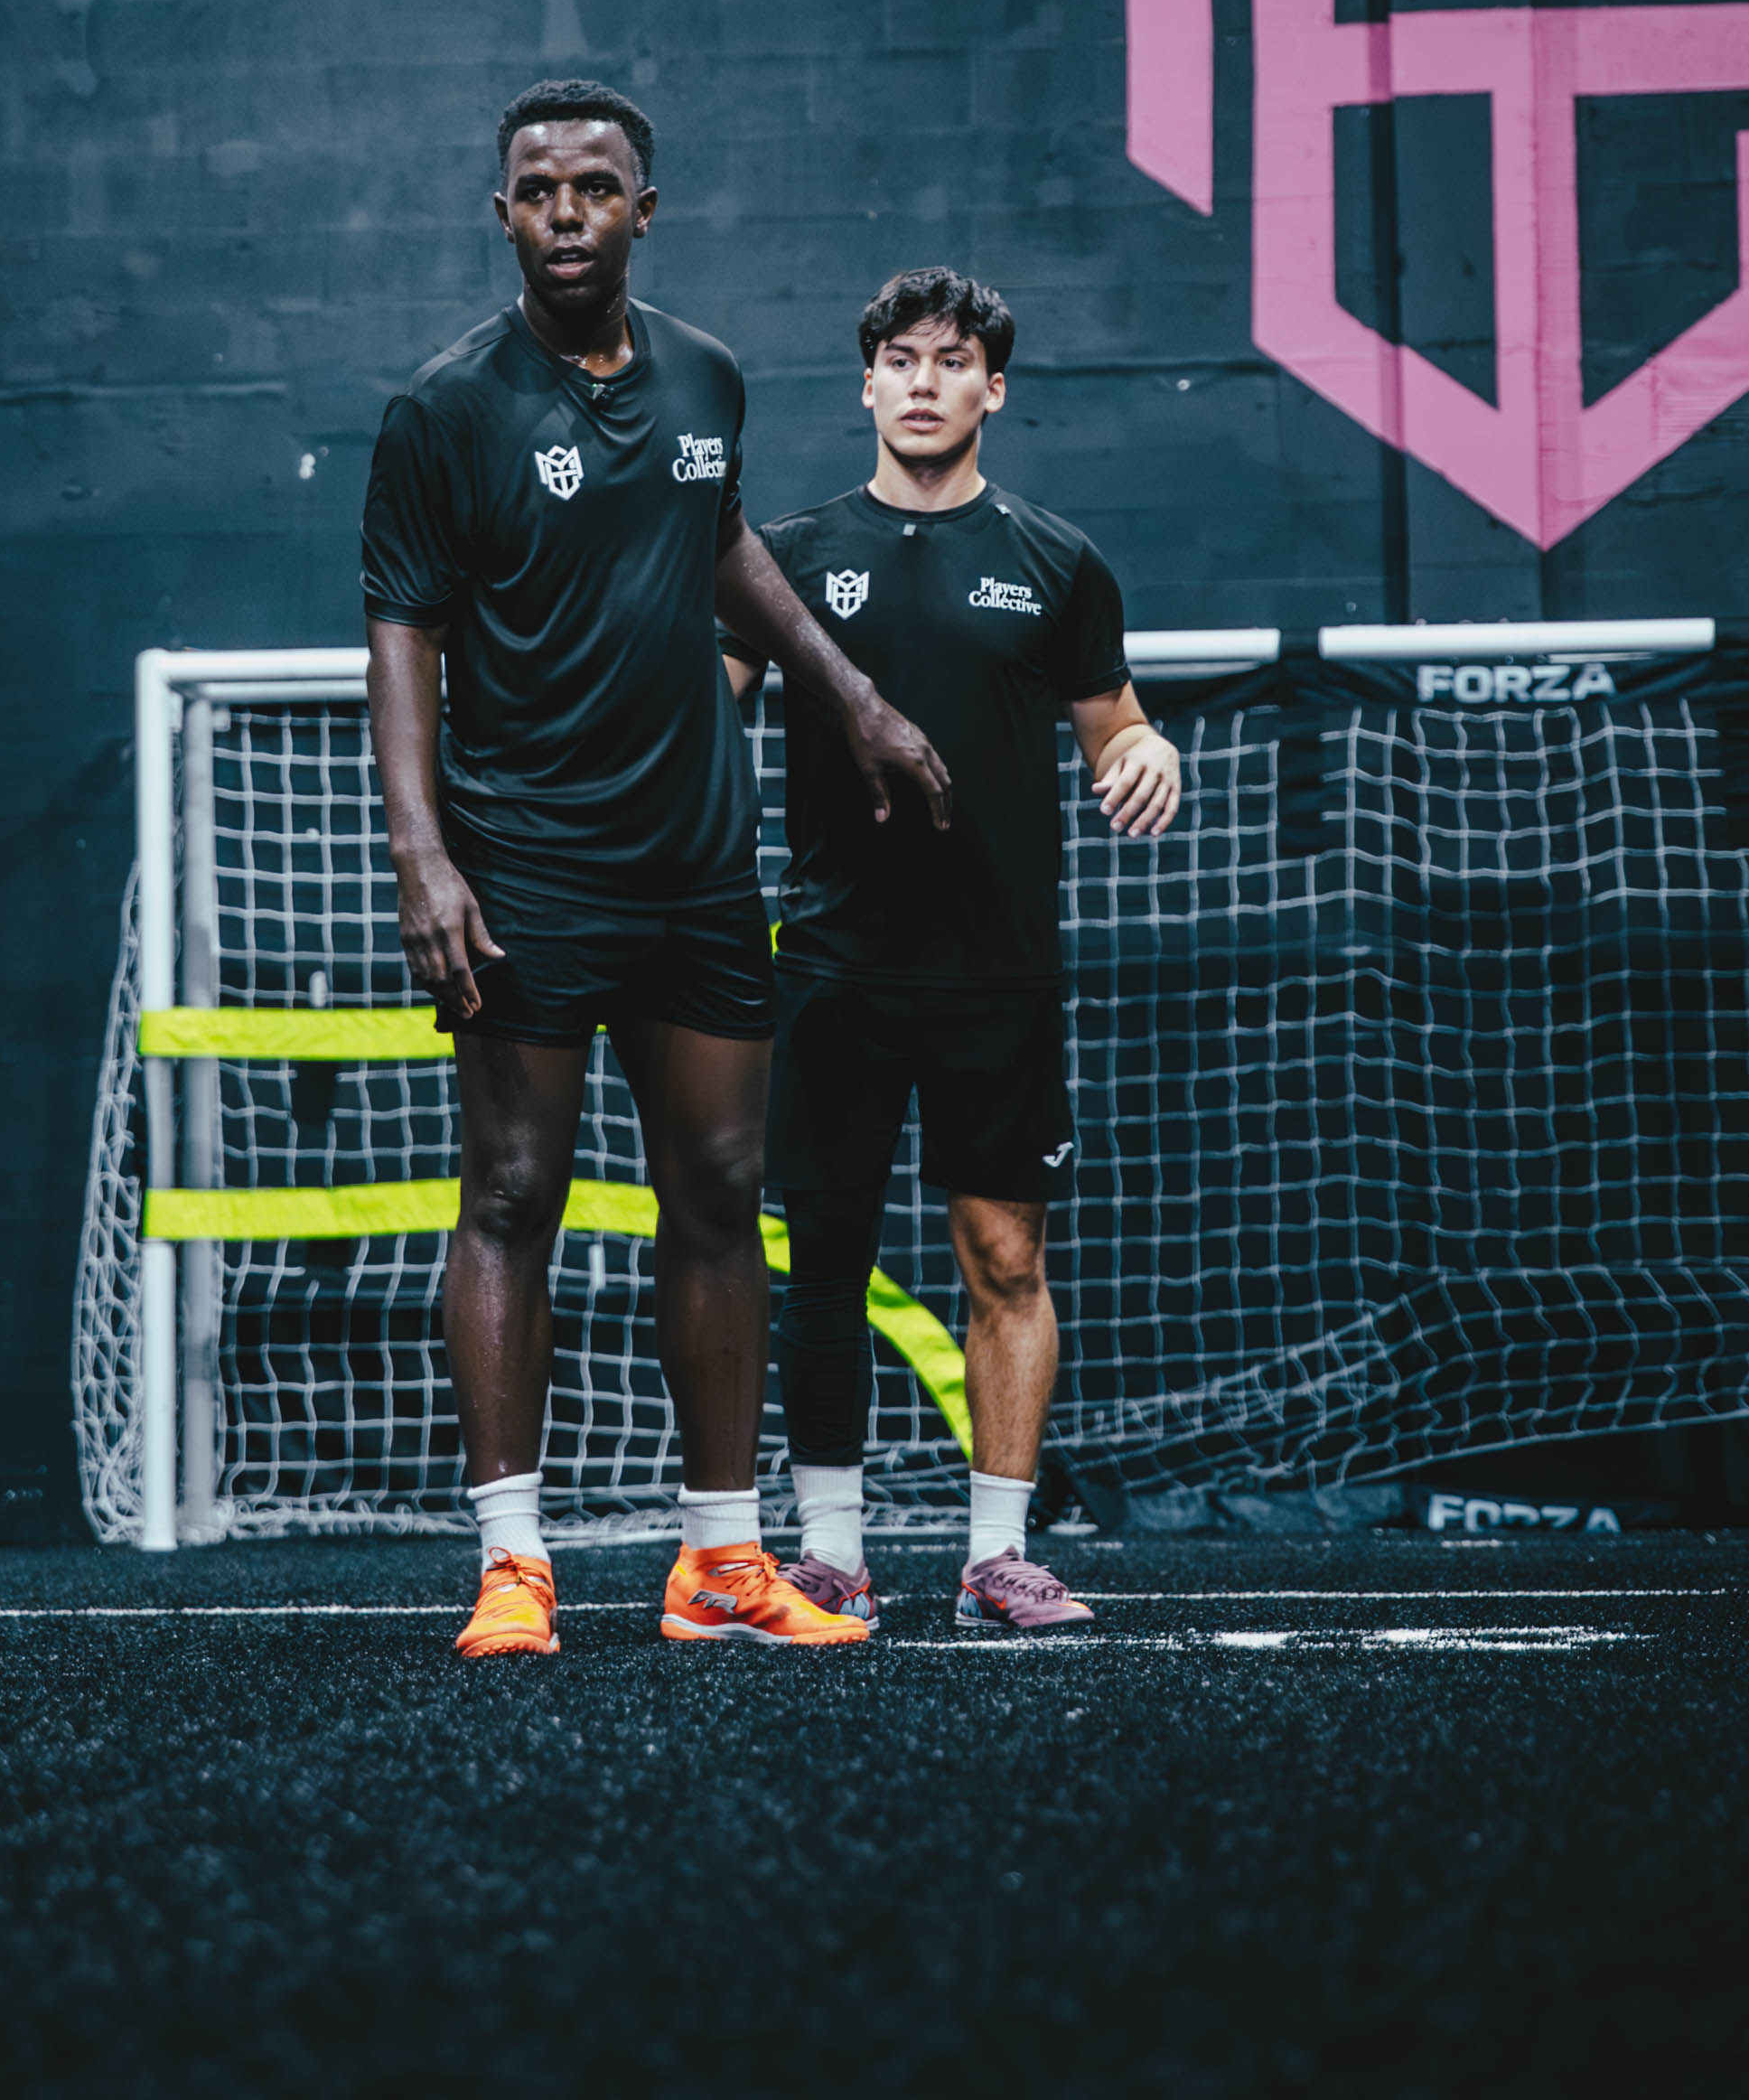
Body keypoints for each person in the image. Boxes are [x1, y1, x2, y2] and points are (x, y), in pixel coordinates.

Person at [360, 82, 953, 1658]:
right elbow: (402, 632)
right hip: (525, 862)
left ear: (642, 208)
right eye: (537, 190)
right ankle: (513, 1563)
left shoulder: (706, 373)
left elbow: (719, 540)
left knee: (718, 1193)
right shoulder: (443, 410)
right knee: (512, 1194)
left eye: (594, 187)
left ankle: (718, 1562)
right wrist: (422, 858)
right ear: (503, 215)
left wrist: (850, 693)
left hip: (694, 860)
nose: (565, 211)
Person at [720, 267, 1181, 1633]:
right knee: (824, 1265)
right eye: (902, 359)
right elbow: (691, 710)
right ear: (866, 382)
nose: (925, 382)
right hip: (830, 967)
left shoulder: (1057, 560)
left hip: (996, 969)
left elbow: (1115, 724)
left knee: (1005, 1260)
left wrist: (1149, 749)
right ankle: (830, 1555)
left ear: (994, 388)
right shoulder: (785, 556)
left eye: (954, 360)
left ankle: (996, 1555)